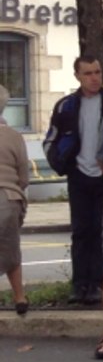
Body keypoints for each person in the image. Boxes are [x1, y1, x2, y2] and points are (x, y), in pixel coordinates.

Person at [43, 55, 103, 304]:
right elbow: (51, 138)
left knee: (102, 231)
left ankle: (99, 284)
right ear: (77, 75)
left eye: (97, 72)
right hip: (78, 175)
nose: (94, 78)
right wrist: (61, 164)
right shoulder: (65, 106)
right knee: (80, 231)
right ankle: (79, 285)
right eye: (88, 73)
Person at [0, 85, 29, 316]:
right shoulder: (14, 136)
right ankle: (19, 297)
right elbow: (23, 177)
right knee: (11, 249)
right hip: (9, 198)